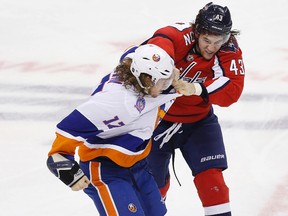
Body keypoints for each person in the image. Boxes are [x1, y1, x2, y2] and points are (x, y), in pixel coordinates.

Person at [123, 2, 245, 216]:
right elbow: (143, 56)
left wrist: (197, 88)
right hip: (157, 122)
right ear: (197, 31)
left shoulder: (229, 47)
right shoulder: (175, 36)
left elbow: (233, 90)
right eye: (207, 40)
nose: (212, 47)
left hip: (199, 123)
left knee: (212, 181)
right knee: (152, 186)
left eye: (219, 41)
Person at [46, 44, 197, 216]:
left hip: (138, 165)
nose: (170, 84)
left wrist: (171, 74)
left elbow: (137, 50)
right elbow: (68, 129)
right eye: (164, 81)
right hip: (106, 169)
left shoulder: (139, 68)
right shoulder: (119, 103)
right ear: (147, 80)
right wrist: (62, 163)